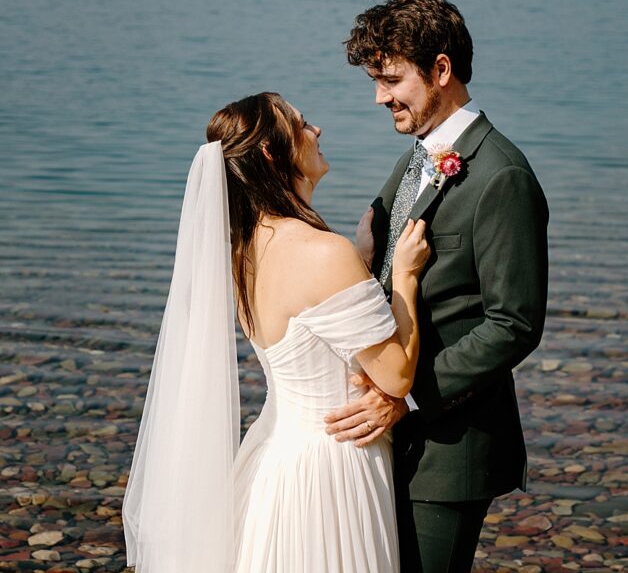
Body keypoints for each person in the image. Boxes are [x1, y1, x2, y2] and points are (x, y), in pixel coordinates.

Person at [122, 91, 430, 573]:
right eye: (301, 124)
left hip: (274, 458)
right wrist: (406, 277)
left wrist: (363, 264)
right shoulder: (322, 252)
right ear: (271, 152)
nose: (316, 131)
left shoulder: (241, 252)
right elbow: (396, 375)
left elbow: (308, 322)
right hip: (332, 468)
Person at [324, 0, 549, 573]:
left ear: (441, 70)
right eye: (376, 81)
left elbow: (514, 324)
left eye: (391, 80)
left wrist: (405, 396)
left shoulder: (502, 176)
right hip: (391, 438)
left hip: (451, 452)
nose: (379, 97)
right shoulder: (417, 156)